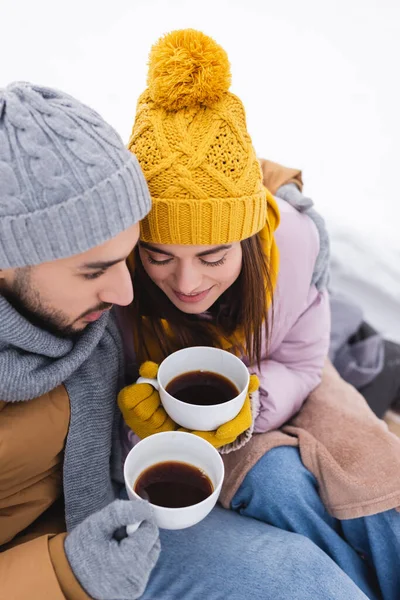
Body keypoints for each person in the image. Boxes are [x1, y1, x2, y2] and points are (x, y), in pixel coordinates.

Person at [0, 83, 370, 600]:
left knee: (305, 567)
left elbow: (191, 166)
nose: (127, 293)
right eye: (96, 270)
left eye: (128, 257)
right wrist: (61, 572)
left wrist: (283, 198)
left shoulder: (76, 298)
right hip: (54, 562)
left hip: (118, 509)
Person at [118, 29, 400, 600]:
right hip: (177, 453)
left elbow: (301, 357)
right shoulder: (114, 282)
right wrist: (142, 425)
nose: (187, 283)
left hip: (281, 387)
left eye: (213, 256)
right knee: (282, 487)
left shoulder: (292, 246)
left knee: (377, 474)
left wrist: (253, 406)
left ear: (247, 240)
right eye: (160, 255)